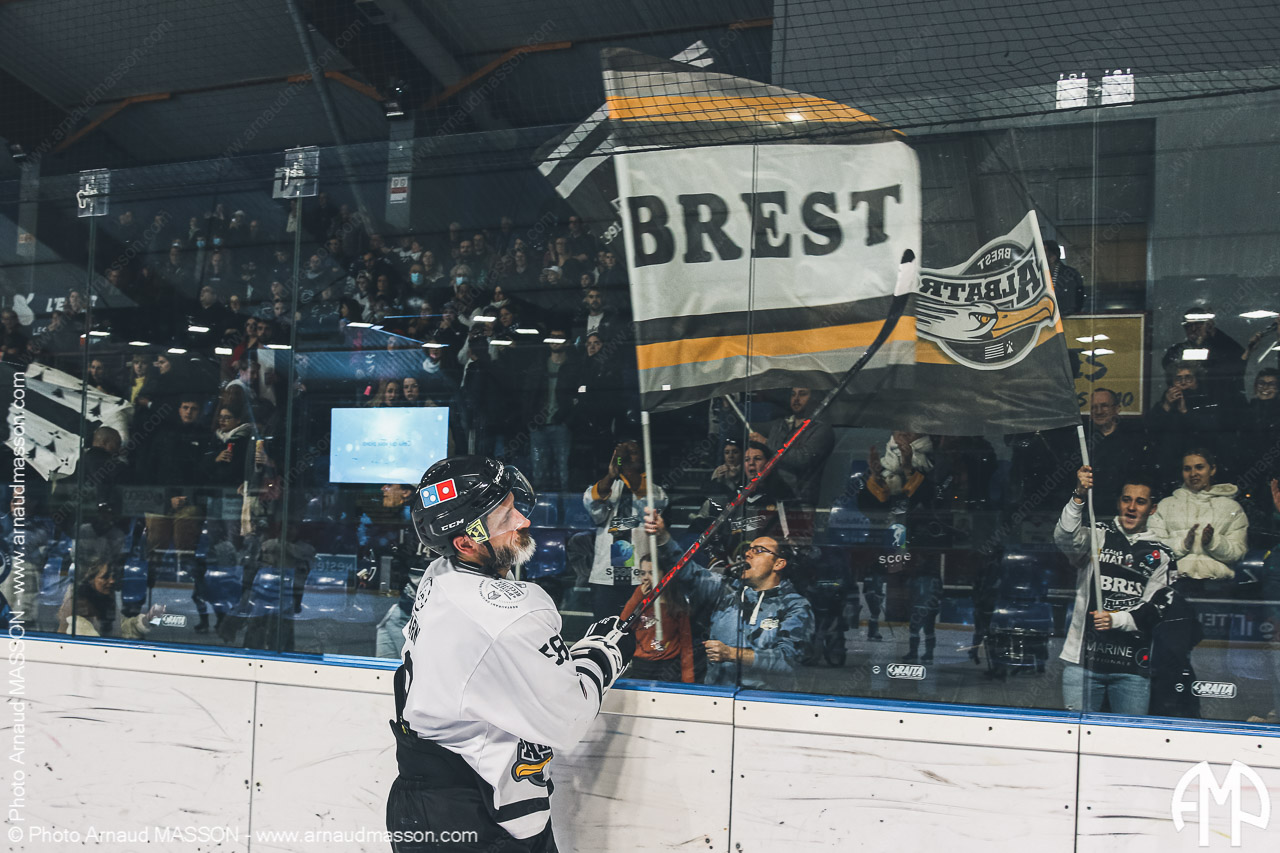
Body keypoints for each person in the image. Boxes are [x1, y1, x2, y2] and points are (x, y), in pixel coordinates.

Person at [387, 456, 635, 852]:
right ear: (465, 542)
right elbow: (569, 718)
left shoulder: (440, 573)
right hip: (478, 818)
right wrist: (604, 652)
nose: (522, 520)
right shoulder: (512, 612)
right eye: (505, 517)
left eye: (513, 506)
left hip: (424, 802)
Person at [1056, 466, 1179, 715]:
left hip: (1131, 669)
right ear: (1118, 503)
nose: (1131, 507)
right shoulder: (1098, 535)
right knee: (1075, 734)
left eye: (1140, 502)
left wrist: (1116, 620)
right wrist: (1079, 496)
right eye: (1126, 499)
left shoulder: (1162, 554)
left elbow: (1156, 609)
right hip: (1082, 665)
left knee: (1128, 737)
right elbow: (1065, 537)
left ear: (1152, 509)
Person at [645, 510, 814, 689]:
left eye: (758, 551)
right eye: (748, 549)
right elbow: (687, 572)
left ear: (779, 563)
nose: (748, 554)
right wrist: (663, 538)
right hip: (718, 696)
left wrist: (731, 654)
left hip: (765, 700)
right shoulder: (726, 590)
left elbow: (788, 661)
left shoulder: (794, 606)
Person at [580, 441, 668, 619]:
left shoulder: (653, 489)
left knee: (638, 630)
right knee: (604, 630)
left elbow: (654, 502)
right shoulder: (607, 487)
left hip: (641, 578)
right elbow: (590, 501)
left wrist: (626, 469)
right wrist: (611, 474)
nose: (627, 457)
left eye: (633, 452)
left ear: (643, 457)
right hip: (606, 577)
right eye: (623, 454)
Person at [1147, 449, 1249, 586]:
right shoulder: (1165, 506)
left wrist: (1213, 542)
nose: (1193, 474)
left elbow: (1238, 553)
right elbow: (1152, 550)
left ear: (1212, 470)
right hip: (1173, 584)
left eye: (1199, 467)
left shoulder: (1232, 508)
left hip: (1218, 586)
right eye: (1187, 469)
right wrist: (1183, 544)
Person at [749, 387, 835, 506]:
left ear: (814, 399)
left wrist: (767, 443)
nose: (796, 399)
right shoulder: (781, 425)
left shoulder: (821, 430)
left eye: (802, 394)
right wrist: (727, 410)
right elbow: (748, 427)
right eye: (793, 394)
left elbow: (802, 458)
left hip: (800, 502)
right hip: (773, 497)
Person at [619, 554, 695, 683]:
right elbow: (623, 624)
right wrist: (638, 596)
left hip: (668, 665)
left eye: (651, 573)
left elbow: (686, 642)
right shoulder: (638, 598)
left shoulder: (676, 602)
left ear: (663, 574)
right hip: (642, 664)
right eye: (642, 573)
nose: (646, 578)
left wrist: (688, 677)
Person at [1085, 388, 1151, 504]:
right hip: (1089, 506)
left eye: (1104, 406)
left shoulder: (1133, 440)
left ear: (1117, 409)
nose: (1098, 411)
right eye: (1094, 407)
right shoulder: (1084, 441)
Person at [1043, 240, 1085, 316]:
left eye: (1042, 255)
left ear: (1052, 258)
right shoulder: (1036, 275)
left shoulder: (1071, 276)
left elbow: (1073, 307)